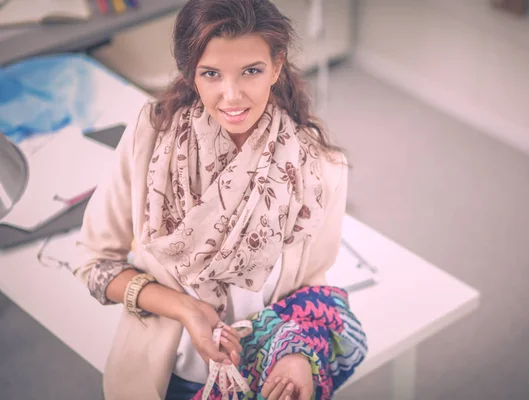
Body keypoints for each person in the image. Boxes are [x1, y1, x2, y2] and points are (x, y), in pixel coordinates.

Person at [75, 1, 362, 399]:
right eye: (211, 74)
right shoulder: (150, 138)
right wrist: (185, 309)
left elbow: (310, 285)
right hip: (164, 380)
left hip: (266, 376)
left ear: (276, 66)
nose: (232, 96)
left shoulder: (320, 167)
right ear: (191, 72)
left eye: (251, 71)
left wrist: (295, 354)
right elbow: (95, 264)